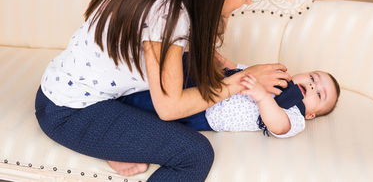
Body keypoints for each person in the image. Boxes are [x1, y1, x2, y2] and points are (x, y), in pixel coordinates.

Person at [34, 0, 292, 181]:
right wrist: (237, 82)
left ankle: (118, 145)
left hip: (75, 87)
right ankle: (112, 142)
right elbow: (169, 109)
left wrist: (225, 69)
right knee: (196, 154)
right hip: (69, 111)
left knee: (199, 72)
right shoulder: (168, 15)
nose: (249, 3)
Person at [122, 53, 341, 140]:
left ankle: (121, 103)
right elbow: (243, 70)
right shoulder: (279, 76)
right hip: (210, 81)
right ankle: (133, 73)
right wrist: (226, 63)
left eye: (319, 94)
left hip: (205, 113)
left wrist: (262, 97)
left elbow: (278, 125)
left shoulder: (295, 116)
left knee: (152, 108)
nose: (312, 86)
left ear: (311, 114)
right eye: (313, 77)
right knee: (179, 67)